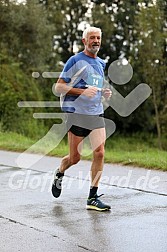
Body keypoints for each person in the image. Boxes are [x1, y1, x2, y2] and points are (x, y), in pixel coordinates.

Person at [52, 26, 112, 211]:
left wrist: (104, 93)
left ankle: (92, 197)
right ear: (84, 41)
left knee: (100, 152)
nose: (96, 41)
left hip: (95, 113)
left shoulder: (101, 63)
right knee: (75, 158)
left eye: (98, 38)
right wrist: (81, 92)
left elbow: (94, 87)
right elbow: (58, 87)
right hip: (76, 114)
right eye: (92, 38)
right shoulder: (75, 60)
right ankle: (60, 171)